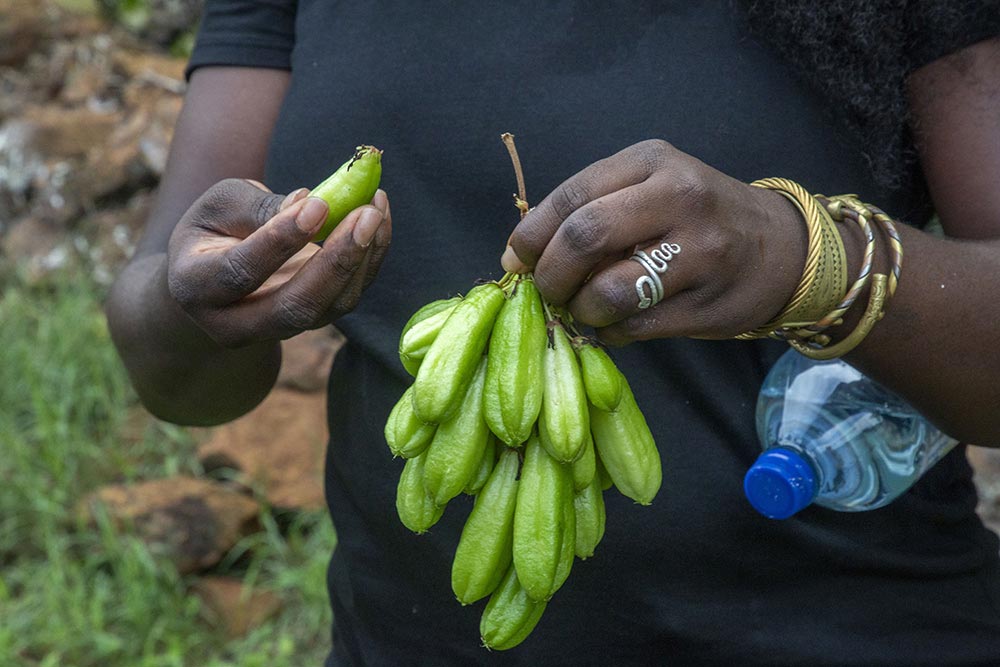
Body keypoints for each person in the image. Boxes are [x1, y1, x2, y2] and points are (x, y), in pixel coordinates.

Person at [105, 1, 1000, 665]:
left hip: (855, 632)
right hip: (407, 638)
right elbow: (173, 369)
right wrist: (199, 303)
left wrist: (808, 255)